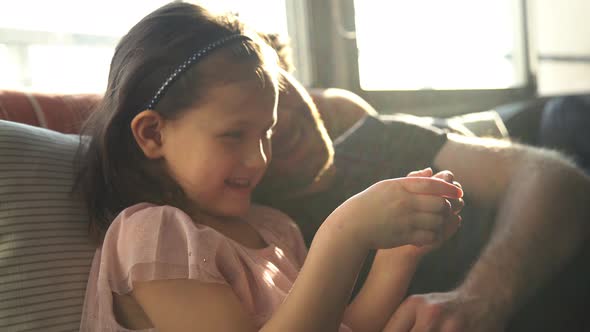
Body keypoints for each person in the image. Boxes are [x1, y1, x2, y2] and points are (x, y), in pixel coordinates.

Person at [74, 3, 465, 331]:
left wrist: (400, 253)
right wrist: (345, 233)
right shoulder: (153, 236)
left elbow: (341, 325)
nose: (258, 158)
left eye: (266, 134)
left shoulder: (275, 228)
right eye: (233, 135)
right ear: (153, 134)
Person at [254, 35, 590, 331]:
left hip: (557, 243)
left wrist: (482, 299)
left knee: (570, 114)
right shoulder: (266, 238)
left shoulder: (373, 138)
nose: (278, 122)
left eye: (276, 89)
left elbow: (554, 177)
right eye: (244, 128)